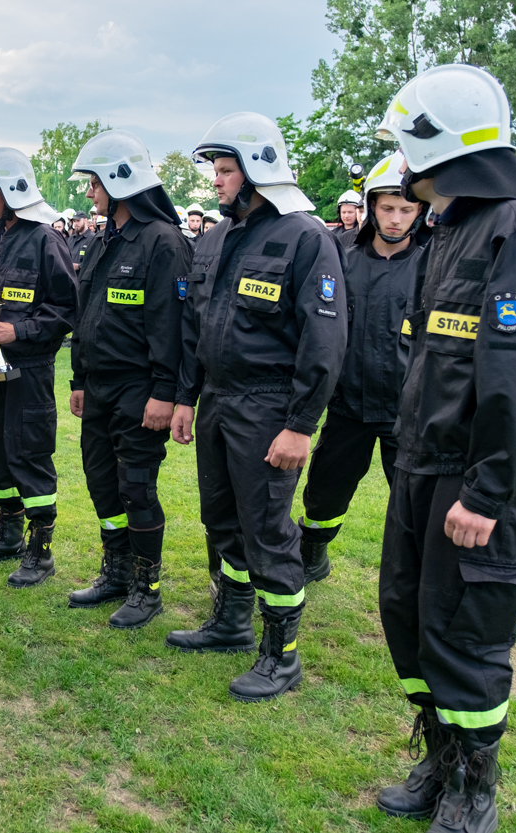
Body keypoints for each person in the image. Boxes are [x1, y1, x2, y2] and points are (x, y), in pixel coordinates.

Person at [372, 64, 516, 833]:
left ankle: (473, 789)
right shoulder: (449, 229)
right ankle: (440, 758)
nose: (400, 160)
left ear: (439, 141)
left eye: (405, 142)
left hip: (473, 484)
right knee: (409, 618)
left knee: (466, 636)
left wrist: (486, 492)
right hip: (420, 468)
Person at [164, 112, 347, 703]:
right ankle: (232, 622)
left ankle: (281, 655)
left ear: (258, 170)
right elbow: (195, 327)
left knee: (267, 528)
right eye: (215, 170)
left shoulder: (305, 237)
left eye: (226, 170)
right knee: (221, 519)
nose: (216, 181)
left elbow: (324, 340)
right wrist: (187, 397)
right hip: (218, 400)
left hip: (269, 407)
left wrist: (300, 425)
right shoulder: (214, 239)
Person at [65, 129, 191, 629]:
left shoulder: (163, 242)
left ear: (120, 182)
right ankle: (116, 572)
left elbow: (171, 326)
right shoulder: (104, 241)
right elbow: (85, 315)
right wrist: (78, 378)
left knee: (136, 487)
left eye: (94, 182)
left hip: (141, 390)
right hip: (98, 386)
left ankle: (146, 587)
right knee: (102, 484)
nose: (89, 192)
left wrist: (164, 392)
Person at [299, 151, 424, 582]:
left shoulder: (431, 264)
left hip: (406, 411)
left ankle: (415, 575)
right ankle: (312, 553)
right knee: (324, 494)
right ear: (370, 205)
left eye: (406, 210)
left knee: (413, 501)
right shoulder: (340, 258)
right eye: (387, 208)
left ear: (419, 211)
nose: (396, 219)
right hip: (347, 406)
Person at [0, 147, 78, 588]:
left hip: (31, 366)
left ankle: (40, 551)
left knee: (29, 452)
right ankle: (8, 536)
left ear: (15, 192)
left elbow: (66, 308)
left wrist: (21, 331)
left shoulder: (46, 239)